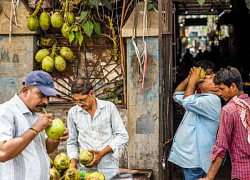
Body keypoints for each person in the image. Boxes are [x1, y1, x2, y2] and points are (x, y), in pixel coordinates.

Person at [0, 70, 69, 179]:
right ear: (26, 90)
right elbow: (2, 153)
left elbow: (44, 148)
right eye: (41, 95)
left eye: (48, 97)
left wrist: (56, 138)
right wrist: (34, 129)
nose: (46, 102)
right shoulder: (6, 112)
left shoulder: (37, 114)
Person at [67, 78, 129, 179]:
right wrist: (73, 163)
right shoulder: (73, 113)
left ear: (91, 93)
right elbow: (72, 142)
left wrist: (102, 153)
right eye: (76, 101)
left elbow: (123, 136)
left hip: (109, 168)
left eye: (82, 100)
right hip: (85, 171)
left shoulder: (109, 108)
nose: (79, 104)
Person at [168, 67, 222, 179]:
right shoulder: (200, 97)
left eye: (211, 77)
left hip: (196, 161)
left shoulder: (212, 100)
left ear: (216, 87)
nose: (206, 76)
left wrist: (193, 81)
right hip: (190, 160)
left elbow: (187, 101)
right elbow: (177, 95)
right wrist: (189, 78)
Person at [199, 66, 250, 180]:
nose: (219, 93)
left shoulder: (229, 110)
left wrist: (209, 177)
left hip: (241, 173)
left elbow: (221, 147)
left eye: (221, 89)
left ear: (232, 87)